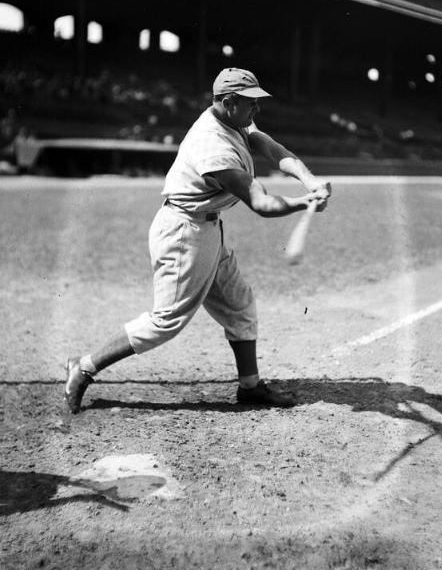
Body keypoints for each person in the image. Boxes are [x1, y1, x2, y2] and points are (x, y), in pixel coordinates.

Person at [64, 68, 331, 413]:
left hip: (207, 230)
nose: (256, 110)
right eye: (251, 103)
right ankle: (83, 366)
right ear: (229, 101)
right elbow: (262, 203)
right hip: (183, 234)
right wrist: (302, 203)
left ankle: (250, 386)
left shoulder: (233, 120)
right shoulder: (212, 145)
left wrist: (309, 181)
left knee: (239, 304)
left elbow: (267, 144)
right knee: (164, 323)